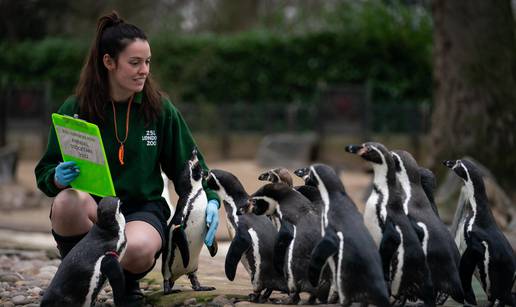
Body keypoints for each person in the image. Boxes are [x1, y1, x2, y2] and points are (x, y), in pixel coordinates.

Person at [34, 11, 220, 305]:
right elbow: (45, 170)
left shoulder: (159, 109)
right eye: (134, 63)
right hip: (95, 211)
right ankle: (79, 277)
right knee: (67, 202)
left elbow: (190, 164)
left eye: (147, 62)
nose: (143, 70)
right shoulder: (76, 108)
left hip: (140, 210)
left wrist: (211, 198)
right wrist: (55, 177)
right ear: (109, 62)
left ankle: (127, 284)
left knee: (139, 249)